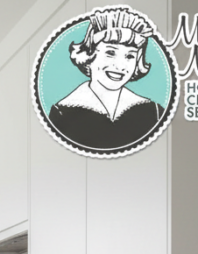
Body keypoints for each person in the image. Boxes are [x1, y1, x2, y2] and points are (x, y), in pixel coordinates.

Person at [48, 8, 167, 152]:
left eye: (130, 56)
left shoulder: (154, 112)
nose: (120, 66)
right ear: (89, 55)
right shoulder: (61, 113)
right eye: (110, 53)